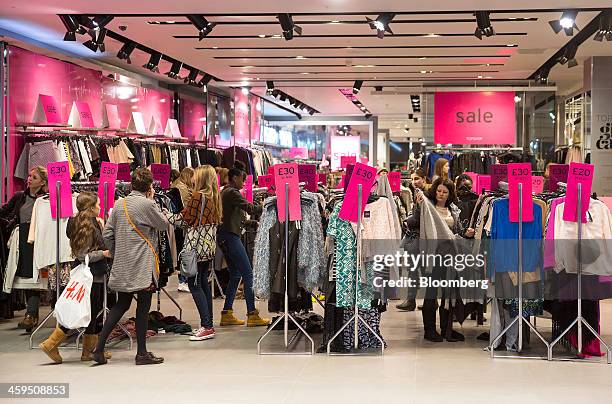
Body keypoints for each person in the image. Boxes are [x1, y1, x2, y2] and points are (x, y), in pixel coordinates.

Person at [92, 168, 170, 365]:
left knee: (121, 304)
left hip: (124, 263)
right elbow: (163, 224)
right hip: (143, 263)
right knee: (143, 307)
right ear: (149, 185)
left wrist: (118, 252)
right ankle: (142, 353)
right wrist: (152, 200)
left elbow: (107, 234)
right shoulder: (147, 204)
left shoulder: (119, 204)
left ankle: (99, 347)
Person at [39, 192, 113, 363]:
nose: (100, 207)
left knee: (91, 312)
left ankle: (88, 351)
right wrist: (104, 253)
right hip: (90, 274)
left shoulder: (79, 222)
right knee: (87, 311)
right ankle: (51, 343)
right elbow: (82, 254)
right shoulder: (87, 226)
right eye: (98, 205)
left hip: (88, 274)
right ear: (91, 208)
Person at [409, 178, 475, 342]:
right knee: (431, 293)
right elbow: (414, 223)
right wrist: (418, 205)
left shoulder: (453, 209)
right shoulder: (426, 205)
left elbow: (457, 230)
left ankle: (447, 330)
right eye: (439, 191)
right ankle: (429, 330)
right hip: (431, 255)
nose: (441, 194)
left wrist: (466, 233)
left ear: (450, 194)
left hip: (450, 256)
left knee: (449, 294)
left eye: (445, 192)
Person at [169, 165, 221, 341]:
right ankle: (208, 323)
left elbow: (184, 220)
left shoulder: (198, 196)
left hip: (196, 248)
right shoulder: (213, 197)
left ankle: (206, 326)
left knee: (194, 284)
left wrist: (163, 214)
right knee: (203, 284)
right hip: (207, 248)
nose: (193, 178)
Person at [217, 164, 270, 327]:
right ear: (234, 177)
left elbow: (234, 218)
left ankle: (227, 313)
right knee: (248, 274)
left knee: (235, 275)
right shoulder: (232, 193)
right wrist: (269, 203)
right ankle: (252, 314)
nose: (244, 182)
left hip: (226, 236)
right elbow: (250, 207)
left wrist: (252, 223)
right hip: (231, 237)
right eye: (243, 179)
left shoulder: (226, 192)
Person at [0, 166, 48, 332]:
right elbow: (5, 211)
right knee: (27, 276)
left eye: (33, 177)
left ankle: (31, 314)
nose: (29, 179)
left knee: (38, 276)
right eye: (29, 176)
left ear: (42, 182)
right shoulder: (20, 197)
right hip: (23, 239)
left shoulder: (46, 199)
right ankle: (31, 314)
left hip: (40, 240)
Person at [396, 168, 430, 312]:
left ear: (424, 178)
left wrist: (406, 221)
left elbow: (420, 217)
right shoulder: (419, 193)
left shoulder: (425, 194)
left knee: (418, 270)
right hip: (419, 236)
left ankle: (415, 301)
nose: (414, 182)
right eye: (412, 179)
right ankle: (415, 301)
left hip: (420, 237)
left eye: (417, 179)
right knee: (416, 270)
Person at [170, 167, 194, 293]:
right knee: (185, 252)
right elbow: (187, 207)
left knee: (182, 251)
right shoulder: (183, 189)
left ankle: (183, 279)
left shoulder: (176, 186)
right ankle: (183, 280)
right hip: (183, 224)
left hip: (176, 223)